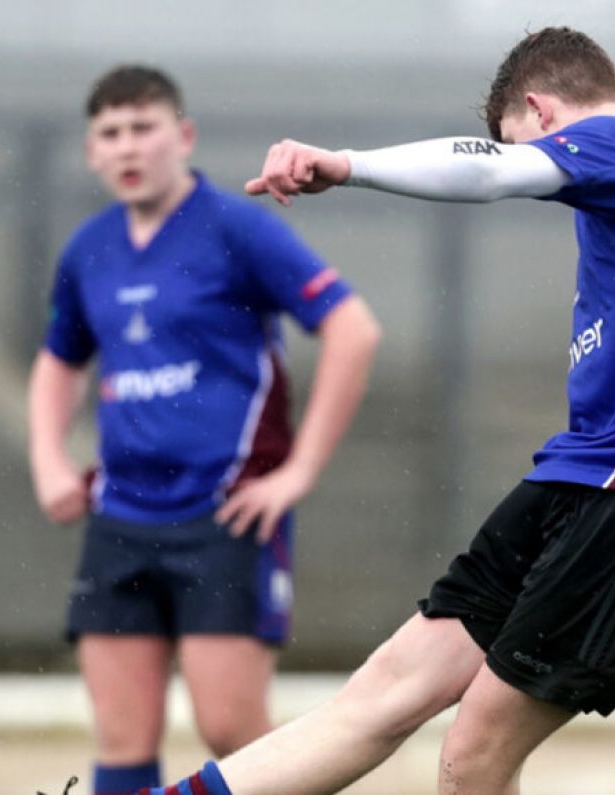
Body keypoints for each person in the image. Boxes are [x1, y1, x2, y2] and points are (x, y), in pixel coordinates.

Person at [140, 26, 615, 795]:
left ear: (540, 109)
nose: (535, 173)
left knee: (472, 752)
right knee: (382, 692)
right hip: (582, 476)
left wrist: (345, 165)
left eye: (524, 143)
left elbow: (491, 174)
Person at [27, 65, 381, 795]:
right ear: (91, 151)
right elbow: (58, 364)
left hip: (225, 514)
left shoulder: (236, 227)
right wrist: (47, 459)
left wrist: (300, 469)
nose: (128, 147)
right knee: (122, 736)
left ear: (181, 136)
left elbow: (352, 329)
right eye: (110, 134)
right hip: (118, 514)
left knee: (233, 735)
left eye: (143, 128)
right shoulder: (88, 249)